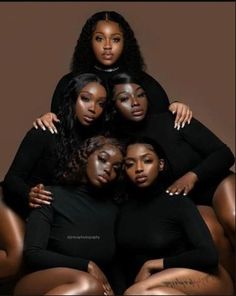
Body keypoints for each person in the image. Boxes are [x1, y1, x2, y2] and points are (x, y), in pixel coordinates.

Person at [107, 72, 235, 280]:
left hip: (213, 181)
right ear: (114, 107)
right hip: (187, 199)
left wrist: (193, 176)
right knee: (211, 234)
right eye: (124, 99)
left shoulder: (172, 119)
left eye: (140, 95)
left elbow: (224, 154)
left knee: (233, 218)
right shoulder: (120, 144)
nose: (135, 103)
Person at [33, 10, 192, 134]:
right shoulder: (69, 83)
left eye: (115, 39)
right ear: (89, 42)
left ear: (125, 43)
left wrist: (176, 107)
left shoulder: (141, 81)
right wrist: (48, 119)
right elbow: (58, 129)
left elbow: (162, 124)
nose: (107, 46)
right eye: (99, 38)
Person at [117, 137, 233, 295]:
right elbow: (121, 262)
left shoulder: (177, 203)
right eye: (130, 164)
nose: (139, 168)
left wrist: (152, 264)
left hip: (205, 278)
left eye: (147, 160)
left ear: (161, 165)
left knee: (138, 292)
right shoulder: (123, 210)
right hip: (154, 287)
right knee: (139, 292)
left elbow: (208, 256)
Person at [13, 135, 124, 296]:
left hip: (90, 289)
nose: (108, 169)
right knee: (88, 284)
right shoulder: (49, 196)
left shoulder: (113, 210)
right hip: (39, 284)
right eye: (102, 159)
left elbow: (115, 264)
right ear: (86, 157)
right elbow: (33, 253)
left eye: (116, 168)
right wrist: (87, 265)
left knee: (91, 287)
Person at [2, 73, 108, 219]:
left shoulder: (97, 143)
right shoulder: (46, 131)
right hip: (27, 211)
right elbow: (11, 180)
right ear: (72, 99)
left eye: (101, 103)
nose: (93, 108)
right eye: (85, 99)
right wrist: (30, 194)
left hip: (62, 216)